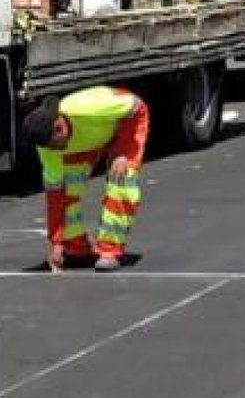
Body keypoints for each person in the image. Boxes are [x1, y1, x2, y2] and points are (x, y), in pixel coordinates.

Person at [21, 86, 150, 272]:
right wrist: (56, 244)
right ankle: (76, 249)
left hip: (125, 125)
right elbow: (55, 195)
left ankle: (110, 250)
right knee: (68, 189)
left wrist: (124, 152)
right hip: (89, 142)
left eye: (54, 145)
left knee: (121, 183)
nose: (54, 150)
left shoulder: (86, 108)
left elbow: (136, 107)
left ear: (59, 127)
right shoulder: (47, 148)